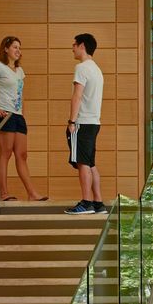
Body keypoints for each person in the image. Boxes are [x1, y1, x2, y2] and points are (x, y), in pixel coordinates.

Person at [0, 36, 46, 202]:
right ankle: (4, 193)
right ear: (5, 49)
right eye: (15, 47)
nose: (18, 50)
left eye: (19, 48)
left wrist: (22, 113)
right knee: (5, 153)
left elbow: (21, 95)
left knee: (22, 154)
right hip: (4, 114)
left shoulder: (20, 71)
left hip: (18, 116)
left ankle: (32, 193)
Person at [63, 33, 106, 215]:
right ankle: (98, 203)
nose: (72, 48)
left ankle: (86, 202)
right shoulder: (96, 69)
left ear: (82, 46)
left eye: (74, 44)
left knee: (82, 163)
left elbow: (77, 96)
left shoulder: (81, 68)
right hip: (94, 122)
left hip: (82, 122)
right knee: (90, 163)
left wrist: (72, 121)